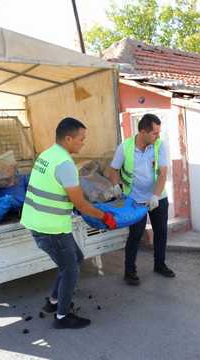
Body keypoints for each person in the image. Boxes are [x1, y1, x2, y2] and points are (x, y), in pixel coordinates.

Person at [20, 117, 117, 330]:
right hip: (50, 228)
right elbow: (81, 204)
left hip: (40, 221)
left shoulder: (47, 155)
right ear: (68, 138)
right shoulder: (65, 164)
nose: (84, 143)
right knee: (71, 269)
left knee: (76, 259)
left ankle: (53, 302)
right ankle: (62, 317)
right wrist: (104, 217)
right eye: (81, 139)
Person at [107, 113, 175, 286]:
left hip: (158, 197)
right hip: (135, 200)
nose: (158, 136)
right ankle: (129, 272)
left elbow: (162, 173)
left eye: (158, 133)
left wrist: (155, 196)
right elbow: (113, 170)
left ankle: (160, 265)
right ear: (143, 131)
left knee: (161, 233)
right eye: (155, 133)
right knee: (135, 235)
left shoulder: (159, 145)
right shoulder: (125, 147)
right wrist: (116, 185)